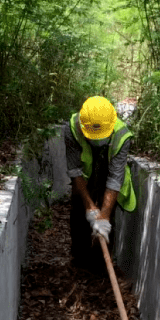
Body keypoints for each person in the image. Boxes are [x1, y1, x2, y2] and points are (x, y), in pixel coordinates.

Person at [64, 95, 136, 272]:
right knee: (79, 210)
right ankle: (79, 260)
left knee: (107, 218)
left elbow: (115, 178)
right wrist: (89, 207)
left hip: (107, 166)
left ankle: (101, 266)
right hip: (84, 174)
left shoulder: (121, 134)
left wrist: (103, 216)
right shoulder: (73, 128)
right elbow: (74, 170)